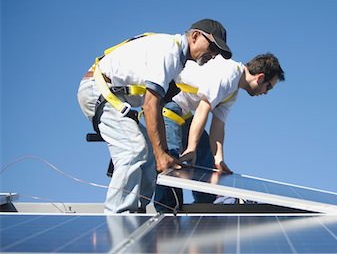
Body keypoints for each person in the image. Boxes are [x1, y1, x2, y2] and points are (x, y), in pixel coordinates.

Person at [77, 19, 233, 213]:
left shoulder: (178, 62)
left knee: (150, 153)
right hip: (98, 92)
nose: (214, 54)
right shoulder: (169, 51)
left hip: (112, 95)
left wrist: (163, 152)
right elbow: (150, 105)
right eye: (212, 46)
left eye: (218, 52)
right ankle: (119, 217)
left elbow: (157, 108)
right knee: (134, 149)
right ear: (195, 36)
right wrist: (161, 156)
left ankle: (137, 212)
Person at [154, 53, 285, 212]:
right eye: (268, 86)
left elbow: (218, 125)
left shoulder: (233, 92)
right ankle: (166, 211)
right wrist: (191, 148)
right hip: (168, 105)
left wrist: (219, 159)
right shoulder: (228, 74)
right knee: (172, 160)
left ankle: (206, 204)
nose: (266, 92)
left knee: (206, 154)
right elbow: (203, 108)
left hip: (184, 112)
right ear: (260, 77)